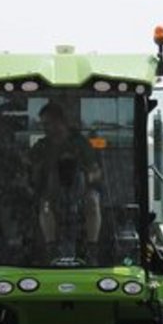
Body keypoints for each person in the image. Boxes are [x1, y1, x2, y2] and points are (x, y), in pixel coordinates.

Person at [30, 101, 102, 263]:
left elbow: (96, 171)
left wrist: (87, 176)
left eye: (48, 123)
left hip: (81, 192)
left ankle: (92, 248)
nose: (46, 128)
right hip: (52, 194)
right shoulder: (42, 147)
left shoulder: (80, 143)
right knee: (45, 205)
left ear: (60, 121)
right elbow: (29, 170)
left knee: (93, 200)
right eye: (43, 125)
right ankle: (51, 249)